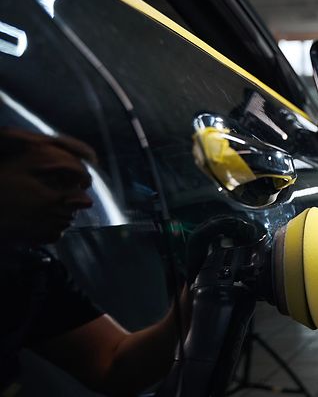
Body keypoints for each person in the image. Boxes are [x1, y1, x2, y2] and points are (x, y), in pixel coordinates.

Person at [0, 128, 189, 396]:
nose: (85, 201)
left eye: (83, 187)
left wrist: (199, 290)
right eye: (57, 179)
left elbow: (113, 364)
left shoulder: (32, 273)